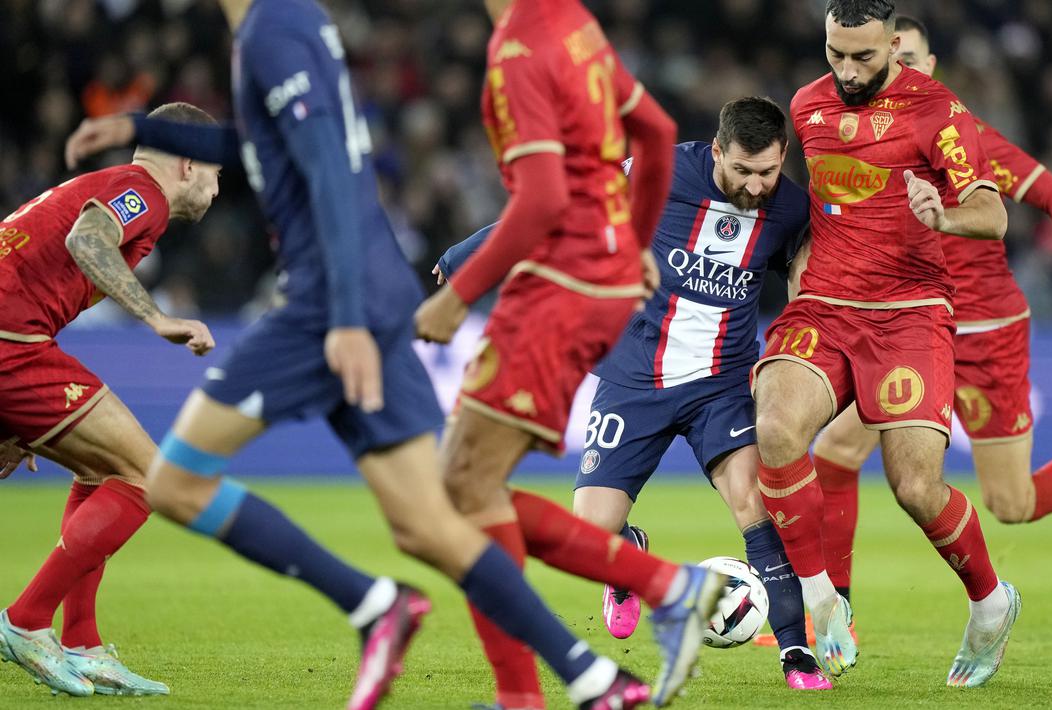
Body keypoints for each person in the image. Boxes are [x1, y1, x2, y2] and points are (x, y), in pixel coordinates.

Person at [64, 1, 660, 708]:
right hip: (367, 287)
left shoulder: (271, 29)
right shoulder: (290, 24)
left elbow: (320, 164)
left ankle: (373, 605)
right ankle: (601, 674)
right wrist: (139, 128)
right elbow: (265, 141)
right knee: (431, 523)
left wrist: (342, 316)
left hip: (326, 296)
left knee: (174, 481)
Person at [806, 15, 1052, 620]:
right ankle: (832, 613)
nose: (899, 74)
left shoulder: (962, 131)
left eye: (911, 61)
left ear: (928, 65)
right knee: (836, 451)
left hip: (984, 331)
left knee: (1012, 502)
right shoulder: (856, 130)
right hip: (907, 328)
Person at [438, 97, 828, 691]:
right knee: (590, 530)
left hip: (721, 383)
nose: (754, 187)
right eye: (742, 171)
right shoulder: (661, 171)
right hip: (634, 377)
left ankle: (797, 653)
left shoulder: (791, 207)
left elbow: (806, 267)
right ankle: (628, 554)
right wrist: (471, 258)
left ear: (783, 161)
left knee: (755, 502)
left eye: (768, 173)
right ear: (718, 150)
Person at [414, 1, 725, 707]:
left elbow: (543, 196)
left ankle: (548, 675)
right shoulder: (572, 24)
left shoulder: (519, 47)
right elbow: (655, 129)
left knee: (457, 492)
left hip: (556, 288)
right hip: (597, 281)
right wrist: (636, 243)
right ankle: (659, 595)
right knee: (466, 491)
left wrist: (459, 292)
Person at [751, 0, 1019, 688]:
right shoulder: (806, 105)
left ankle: (990, 602)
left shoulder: (936, 110)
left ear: (893, 47)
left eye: (861, 57)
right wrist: (794, 261)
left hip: (908, 312)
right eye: (834, 53)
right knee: (776, 428)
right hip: (824, 306)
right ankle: (821, 600)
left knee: (914, 486)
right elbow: (816, 202)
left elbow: (993, 214)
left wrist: (945, 214)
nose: (844, 69)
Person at [0, 101, 220, 697]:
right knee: (150, 478)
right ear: (187, 164)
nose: (217, 187)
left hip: (15, 339)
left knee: (102, 468)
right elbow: (85, 239)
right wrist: (157, 317)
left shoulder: (109, 186)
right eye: (216, 172)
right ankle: (25, 621)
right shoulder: (139, 191)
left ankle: (83, 642)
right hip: (9, 340)